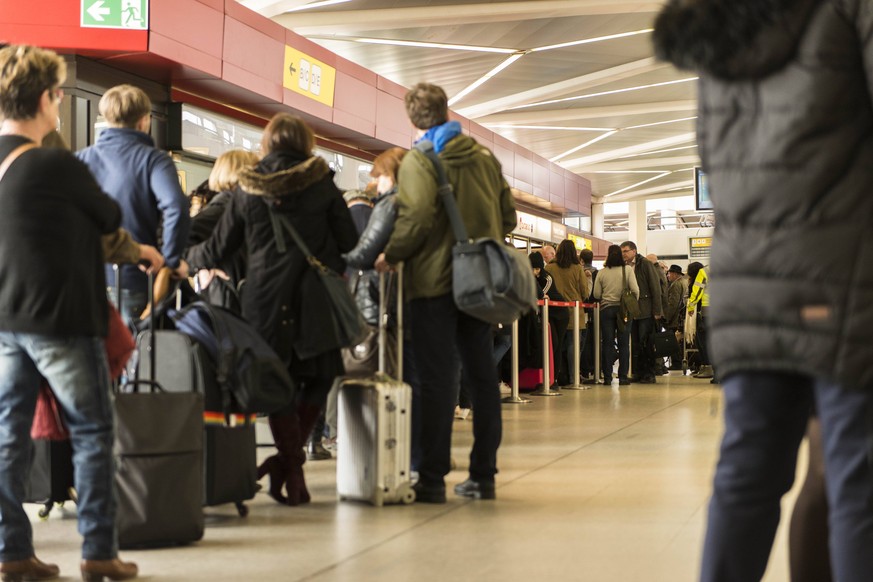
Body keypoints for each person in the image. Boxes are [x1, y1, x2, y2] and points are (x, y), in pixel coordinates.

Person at [654, 2, 873, 580]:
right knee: (857, 480)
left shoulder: (723, 19)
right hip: (846, 275)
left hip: (746, 283)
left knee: (746, 475)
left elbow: (715, 154)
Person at [0, 44, 138, 582]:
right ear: (44, 98)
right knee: (92, 434)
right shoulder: (55, 162)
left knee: (9, 439)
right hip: (61, 317)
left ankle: (12, 552)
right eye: (58, 96)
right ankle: (99, 550)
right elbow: (108, 215)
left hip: (7, 321)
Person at [186, 112, 358, 506]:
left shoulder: (248, 187)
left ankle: (291, 467)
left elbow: (218, 248)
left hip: (263, 301)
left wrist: (185, 258)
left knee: (277, 381)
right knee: (318, 377)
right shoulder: (323, 183)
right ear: (306, 143)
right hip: (316, 299)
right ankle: (290, 465)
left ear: (267, 144)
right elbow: (348, 243)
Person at [375, 82, 517, 503]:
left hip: (434, 285)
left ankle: (433, 478)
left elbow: (417, 218)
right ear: (446, 109)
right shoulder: (484, 157)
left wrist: (393, 253)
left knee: (437, 381)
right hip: (479, 284)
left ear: (412, 118)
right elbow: (507, 216)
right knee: (482, 377)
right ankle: (483, 475)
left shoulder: (421, 158)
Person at [76, 84, 190, 322]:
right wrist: (169, 260)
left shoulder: (82, 159)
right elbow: (176, 206)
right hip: (134, 281)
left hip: (85, 281)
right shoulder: (153, 160)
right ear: (144, 120)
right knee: (133, 356)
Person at [188, 149, 259, 313]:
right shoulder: (223, 208)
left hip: (235, 296)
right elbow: (183, 242)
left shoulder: (239, 205)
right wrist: (203, 267)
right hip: (228, 300)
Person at [545, 239, 589, 386]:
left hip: (552, 311)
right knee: (572, 344)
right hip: (574, 312)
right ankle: (573, 378)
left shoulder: (550, 267)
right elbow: (584, 291)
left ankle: (554, 378)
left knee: (555, 345)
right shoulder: (577, 268)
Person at [593, 245, 639, 385]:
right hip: (623, 311)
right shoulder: (628, 270)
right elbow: (636, 290)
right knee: (624, 344)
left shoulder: (602, 272)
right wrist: (630, 302)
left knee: (607, 343)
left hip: (606, 310)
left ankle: (607, 377)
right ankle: (623, 377)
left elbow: (596, 294)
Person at [620, 241, 663, 384]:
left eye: (626, 251)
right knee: (635, 343)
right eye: (622, 251)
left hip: (646, 310)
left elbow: (655, 287)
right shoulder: (624, 266)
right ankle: (638, 372)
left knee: (646, 342)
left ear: (634, 251)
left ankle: (649, 373)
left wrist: (657, 310)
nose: (623, 254)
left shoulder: (645, 264)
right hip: (632, 310)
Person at [685, 262, 713, 379]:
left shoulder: (704, 271)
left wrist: (690, 306)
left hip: (708, 310)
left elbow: (697, 292)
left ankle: (708, 367)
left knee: (704, 341)